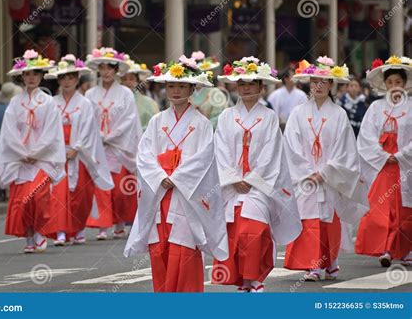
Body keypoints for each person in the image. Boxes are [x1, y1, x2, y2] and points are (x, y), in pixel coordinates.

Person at [124, 56, 228, 292]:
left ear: (192, 88)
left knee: (184, 249)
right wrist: (161, 177)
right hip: (160, 191)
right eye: (171, 85)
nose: (176, 91)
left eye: (182, 86)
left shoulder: (201, 123)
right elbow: (144, 155)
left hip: (185, 193)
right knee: (160, 248)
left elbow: (204, 158)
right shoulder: (157, 121)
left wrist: (178, 177)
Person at [213, 57, 301, 292]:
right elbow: (219, 150)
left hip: (258, 185)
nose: (246, 88)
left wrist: (251, 179)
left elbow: (272, 153)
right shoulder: (225, 116)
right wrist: (233, 178)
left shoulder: (269, 117)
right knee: (235, 234)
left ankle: (255, 277)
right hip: (231, 186)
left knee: (254, 231)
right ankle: (242, 279)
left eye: (252, 84)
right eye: (241, 84)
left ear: (261, 87)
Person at [283, 56, 368, 281]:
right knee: (308, 220)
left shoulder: (339, 115)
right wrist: (307, 171)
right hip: (306, 178)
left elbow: (346, 148)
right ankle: (313, 265)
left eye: (323, 82)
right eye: (313, 82)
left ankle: (330, 262)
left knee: (329, 221)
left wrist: (327, 172)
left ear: (331, 84)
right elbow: (290, 146)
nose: (318, 86)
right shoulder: (297, 113)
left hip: (330, 178)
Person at [0, 49, 66, 253]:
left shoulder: (49, 102)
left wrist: (36, 153)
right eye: (27, 74)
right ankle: (28, 234)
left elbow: (52, 132)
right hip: (20, 159)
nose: (31, 77)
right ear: (22, 77)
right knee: (22, 201)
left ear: (41, 75)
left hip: (41, 159)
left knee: (39, 197)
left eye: (35, 73)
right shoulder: (15, 103)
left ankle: (40, 232)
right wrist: (21, 153)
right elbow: (8, 131)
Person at [44, 54, 114, 245]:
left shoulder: (84, 103)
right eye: (63, 78)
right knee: (58, 193)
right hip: (58, 155)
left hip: (79, 154)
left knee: (81, 195)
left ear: (77, 80)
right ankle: (60, 231)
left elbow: (89, 130)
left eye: (71, 77)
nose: (67, 81)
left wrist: (77, 148)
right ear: (58, 80)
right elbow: (48, 129)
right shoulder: (52, 103)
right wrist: (56, 150)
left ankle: (78, 228)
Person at [355, 56, 412, 267]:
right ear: (385, 84)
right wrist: (382, 155)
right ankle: (386, 249)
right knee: (381, 208)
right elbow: (366, 136)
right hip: (382, 166)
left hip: (405, 166)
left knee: (404, 211)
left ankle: (404, 248)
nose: (394, 86)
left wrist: (401, 155)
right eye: (390, 82)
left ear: (404, 84)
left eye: (398, 82)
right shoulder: (376, 108)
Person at [85, 47, 142, 239]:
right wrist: (98, 135)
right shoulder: (90, 94)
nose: (106, 71)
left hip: (119, 146)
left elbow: (129, 119)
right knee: (101, 186)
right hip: (98, 145)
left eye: (110, 67)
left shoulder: (125, 93)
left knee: (119, 190)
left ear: (116, 69)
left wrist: (111, 136)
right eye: (102, 67)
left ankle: (119, 221)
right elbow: (87, 119)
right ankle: (102, 225)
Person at [189, 51, 229, 128]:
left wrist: (205, 126)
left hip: (210, 134)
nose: (198, 77)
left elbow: (220, 117)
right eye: (195, 74)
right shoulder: (185, 93)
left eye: (202, 73)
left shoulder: (216, 93)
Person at [120, 59, 159, 131]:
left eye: (131, 79)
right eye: (124, 79)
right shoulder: (116, 101)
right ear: (121, 82)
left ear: (137, 81)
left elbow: (155, 126)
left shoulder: (150, 103)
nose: (128, 82)